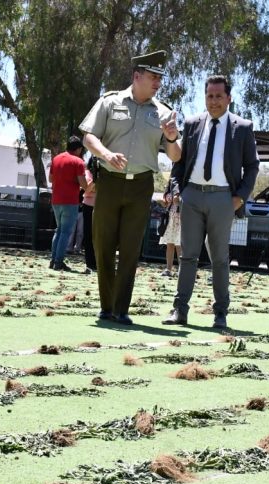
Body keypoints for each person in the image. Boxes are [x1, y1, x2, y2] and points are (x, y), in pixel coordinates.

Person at [79, 50, 182, 325]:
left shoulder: (163, 112)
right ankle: (106, 305)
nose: (158, 82)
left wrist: (171, 138)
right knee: (103, 244)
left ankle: (121, 309)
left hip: (141, 186)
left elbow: (175, 155)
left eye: (160, 77)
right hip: (109, 182)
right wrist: (105, 154)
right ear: (137, 76)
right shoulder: (110, 102)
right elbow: (88, 136)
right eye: (152, 76)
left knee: (130, 247)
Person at [162, 75, 258, 330]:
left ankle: (220, 314)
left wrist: (239, 198)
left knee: (220, 259)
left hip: (223, 198)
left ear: (229, 98)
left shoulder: (243, 127)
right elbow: (178, 162)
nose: (213, 101)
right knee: (188, 256)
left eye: (218, 96)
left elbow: (252, 166)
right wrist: (176, 189)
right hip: (192, 196)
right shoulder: (192, 123)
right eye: (209, 96)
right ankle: (179, 310)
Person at [47, 136, 88, 271]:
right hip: (70, 201)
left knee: (58, 231)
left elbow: (51, 178)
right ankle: (59, 262)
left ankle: (53, 261)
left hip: (56, 200)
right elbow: (83, 183)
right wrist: (87, 186)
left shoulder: (56, 159)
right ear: (79, 149)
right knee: (66, 232)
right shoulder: (79, 162)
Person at [158, 186, 182, 277]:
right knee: (169, 244)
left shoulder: (183, 185)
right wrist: (161, 201)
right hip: (169, 219)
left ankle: (181, 270)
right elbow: (165, 203)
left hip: (181, 218)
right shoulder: (170, 186)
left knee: (179, 244)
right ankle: (168, 269)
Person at [81, 159, 98, 272]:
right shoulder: (87, 173)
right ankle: (89, 263)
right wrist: (95, 181)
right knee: (88, 236)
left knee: (99, 236)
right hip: (88, 207)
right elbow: (87, 189)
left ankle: (98, 263)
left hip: (101, 207)